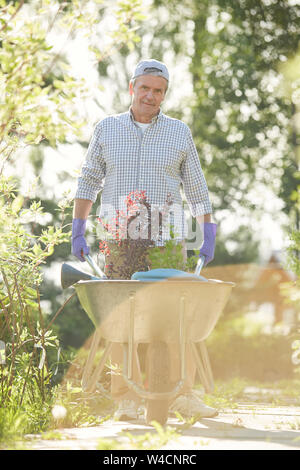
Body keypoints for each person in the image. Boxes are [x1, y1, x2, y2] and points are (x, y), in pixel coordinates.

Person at [72, 59, 218, 420]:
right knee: (121, 321)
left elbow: (197, 188)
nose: (151, 96)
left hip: (166, 238)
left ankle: (184, 395)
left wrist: (208, 229)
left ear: (164, 94)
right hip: (118, 237)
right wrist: (78, 226)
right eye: (145, 88)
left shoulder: (179, 132)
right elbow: (88, 180)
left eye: (158, 91)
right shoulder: (107, 129)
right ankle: (126, 399)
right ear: (132, 88)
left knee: (177, 318)